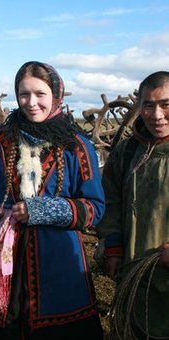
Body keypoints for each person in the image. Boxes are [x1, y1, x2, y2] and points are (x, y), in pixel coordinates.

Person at [0, 61, 105, 339]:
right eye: (24, 94)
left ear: (56, 94)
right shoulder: (0, 139)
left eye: (40, 94)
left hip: (57, 257)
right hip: (2, 252)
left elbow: (93, 208)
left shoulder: (77, 145)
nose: (31, 102)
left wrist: (40, 209)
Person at [96, 71, 169, 339]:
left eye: (165, 104)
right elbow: (111, 201)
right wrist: (113, 246)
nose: (157, 115)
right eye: (148, 105)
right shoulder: (127, 152)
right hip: (133, 272)